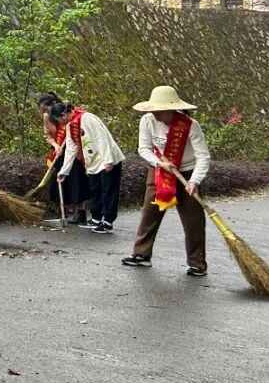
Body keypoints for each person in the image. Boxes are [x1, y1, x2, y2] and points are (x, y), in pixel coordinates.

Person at [123, 86, 211, 276]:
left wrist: (195, 181)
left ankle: (197, 262)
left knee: (193, 220)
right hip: (160, 170)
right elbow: (143, 149)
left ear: (171, 109)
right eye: (153, 109)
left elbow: (203, 156)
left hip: (187, 173)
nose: (155, 113)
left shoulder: (190, 125)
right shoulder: (147, 121)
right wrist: (159, 163)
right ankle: (141, 254)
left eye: (159, 110)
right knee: (149, 213)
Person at [52, 102, 125, 234]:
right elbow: (71, 148)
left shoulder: (88, 118)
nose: (59, 123)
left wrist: (108, 160)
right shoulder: (70, 125)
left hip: (106, 158)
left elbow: (101, 138)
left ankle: (108, 222)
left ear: (63, 115)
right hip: (92, 161)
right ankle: (96, 218)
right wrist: (64, 171)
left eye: (58, 120)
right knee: (95, 190)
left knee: (108, 191)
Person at [39, 92, 90, 225]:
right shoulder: (47, 117)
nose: (46, 112)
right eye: (43, 110)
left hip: (74, 150)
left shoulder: (66, 113)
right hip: (59, 151)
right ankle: (63, 211)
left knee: (77, 181)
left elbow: (77, 132)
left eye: (47, 108)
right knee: (60, 182)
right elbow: (47, 135)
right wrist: (56, 145)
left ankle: (81, 211)